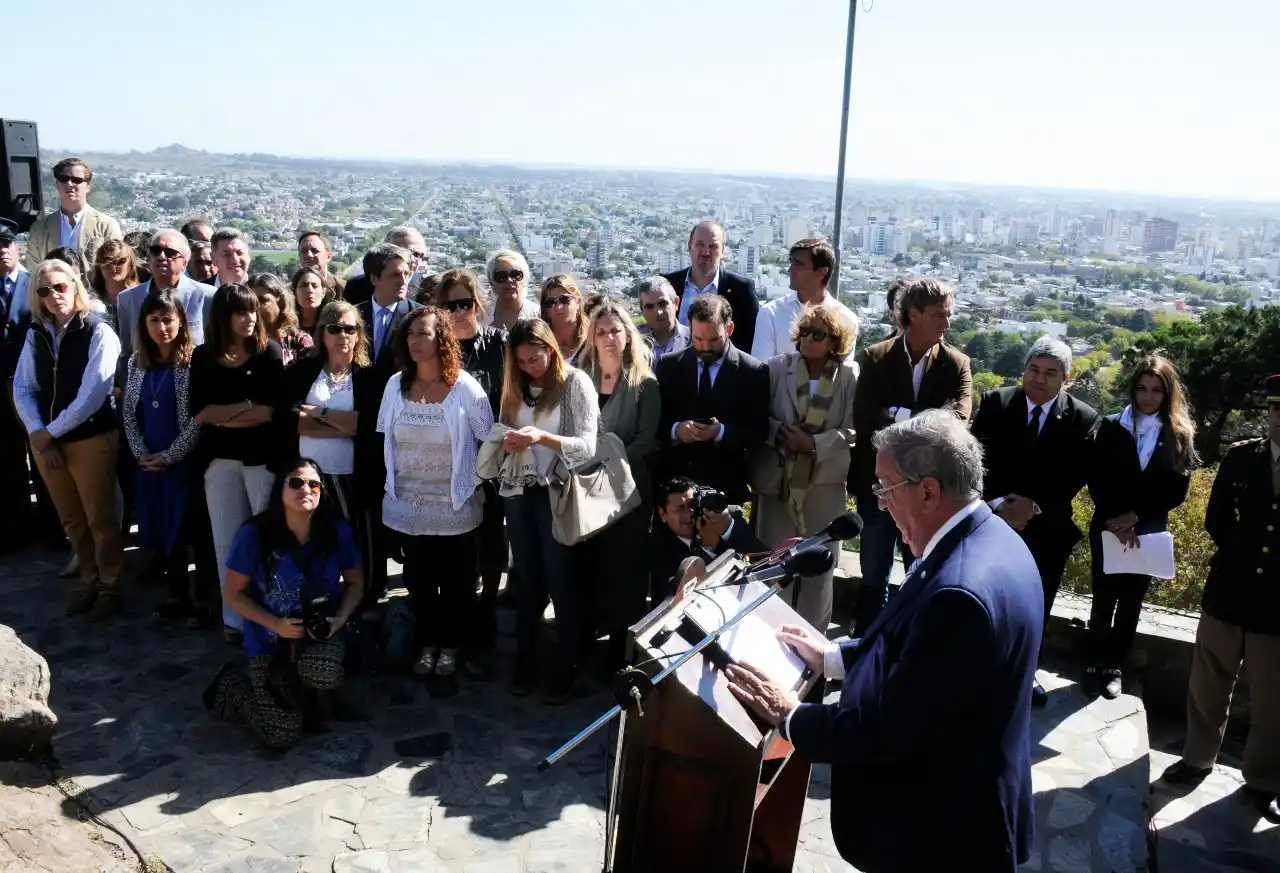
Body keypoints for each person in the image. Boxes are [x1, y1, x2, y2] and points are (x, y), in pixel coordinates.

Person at [725, 410, 1041, 873]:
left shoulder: (958, 595)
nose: (878, 503)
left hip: (941, 838)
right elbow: (920, 655)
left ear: (928, 490)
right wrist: (834, 657)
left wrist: (791, 717)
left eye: (885, 488)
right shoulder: (989, 538)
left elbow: (889, 731)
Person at [1160, 374, 1280, 823]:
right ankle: (1197, 758)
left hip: (1277, 607)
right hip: (1229, 592)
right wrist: (1242, 559)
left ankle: (1265, 781)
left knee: (1274, 701)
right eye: (1276, 410)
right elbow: (1217, 520)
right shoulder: (1241, 458)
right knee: (1208, 683)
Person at [970, 335, 1097, 707]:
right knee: (988, 601)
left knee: (1035, 605)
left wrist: (1033, 506)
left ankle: (1025, 676)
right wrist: (998, 505)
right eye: (1033, 370)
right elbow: (976, 459)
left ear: (1066, 378)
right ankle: (981, 669)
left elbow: (1074, 475)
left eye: (1050, 373)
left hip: (1048, 529)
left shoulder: (1082, 418)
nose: (1039, 379)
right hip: (993, 521)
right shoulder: (997, 402)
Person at [204, 458, 365, 749]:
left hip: (320, 633)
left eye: (314, 484)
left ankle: (311, 693)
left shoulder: (336, 530)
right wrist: (275, 624)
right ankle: (231, 685)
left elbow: (356, 583)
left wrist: (339, 620)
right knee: (281, 734)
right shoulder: (254, 534)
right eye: (296, 482)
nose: (306, 489)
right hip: (269, 642)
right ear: (280, 489)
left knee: (323, 670)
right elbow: (232, 594)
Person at [848, 277, 972, 635]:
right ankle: (866, 642)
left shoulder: (957, 364)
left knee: (922, 571)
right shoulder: (875, 357)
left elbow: (958, 419)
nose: (947, 324)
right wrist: (927, 417)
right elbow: (868, 419)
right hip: (879, 488)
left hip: (927, 492)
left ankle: (910, 641)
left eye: (948, 316)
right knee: (873, 571)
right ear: (913, 314)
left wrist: (898, 414)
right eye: (939, 316)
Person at [377, 307, 492, 682]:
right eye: (410, 334)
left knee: (458, 582)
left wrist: (470, 479)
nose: (415, 341)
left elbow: (488, 440)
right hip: (409, 505)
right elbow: (386, 439)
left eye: (424, 334)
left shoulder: (465, 388)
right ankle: (427, 642)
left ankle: (454, 644)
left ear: (442, 339)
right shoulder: (395, 385)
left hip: (453, 505)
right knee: (419, 580)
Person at [492, 318, 598, 703]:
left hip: (558, 494)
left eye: (535, 358)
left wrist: (542, 438)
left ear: (551, 350)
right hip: (520, 492)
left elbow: (587, 445)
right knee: (527, 579)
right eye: (521, 361)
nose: (529, 366)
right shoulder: (515, 385)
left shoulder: (574, 383)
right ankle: (525, 661)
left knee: (560, 580)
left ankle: (565, 666)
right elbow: (504, 427)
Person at [13, 261, 123, 618]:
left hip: (89, 437)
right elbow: (23, 387)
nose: (54, 296)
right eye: (45, 291)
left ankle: (110, 584)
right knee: (71, 517)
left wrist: (49, 433)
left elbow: (94, 392)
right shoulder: (36, 334)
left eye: (60, 287)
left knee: (99, 517)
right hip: (47, 439)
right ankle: (89, 579)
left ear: (75, 285)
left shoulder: (98, 330)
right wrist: (37, 433)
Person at [1086, 355, 1196, 700]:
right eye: (1142, 389)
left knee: (1132, 601)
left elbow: (1177, 490)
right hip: (1107, 525)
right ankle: (1092, 663)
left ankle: (1114, 666)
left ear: (1168, 394)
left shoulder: (1178, 434)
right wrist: (1116, 520)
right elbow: (1097, 479)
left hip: (1147, 531)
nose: (1147, 397)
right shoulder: (1111, 426)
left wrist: (1134, 518)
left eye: (1156, 391)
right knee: (1103, 597)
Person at [752, 303, 858, 632]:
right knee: (773, 567)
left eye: (819, 334)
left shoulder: (848, 378)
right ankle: (767, 640)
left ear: (835, 341)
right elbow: (756, 419)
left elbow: (853, 430)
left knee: (820, 572)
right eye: (805, 332)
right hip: (779, 485)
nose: (809, 339)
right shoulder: (776, 368)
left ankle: (813, 649)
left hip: (824, 488)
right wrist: (778, 433)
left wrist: (813, 445)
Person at [191, 284, 284, 644]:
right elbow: (202, 412)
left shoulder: (268, 352)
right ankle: (235, 618)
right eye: (240, 312)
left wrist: (227, 414)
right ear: (223, 318)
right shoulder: (204, 357)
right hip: (219, 462)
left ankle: (267, 613)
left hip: (261, 460)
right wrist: (246, 408)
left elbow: (271, 411)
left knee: (263, 539)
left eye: (251, 311)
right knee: (226, 541)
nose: (249, 318)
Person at [578, 298, 661, 666]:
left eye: (616, 330)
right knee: (591, 571)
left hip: (626, 494)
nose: (609, 338)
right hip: (584, 493)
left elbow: (646, 440)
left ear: (628, 335)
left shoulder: (644, 382)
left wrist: (608, 463)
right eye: (601, 332)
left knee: (624, 575)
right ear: (592, 338)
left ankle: (619, 654)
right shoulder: (580, 376)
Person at [120, 291, 205, 624]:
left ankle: (196, 599)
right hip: (149, 464)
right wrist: (142, 453)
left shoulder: (191, 362)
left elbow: (196, 419)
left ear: (180, 321)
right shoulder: (136, 363)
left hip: (181, 464)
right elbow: (129, 413)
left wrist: (171, 456)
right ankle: (175, 595)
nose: (161, 327)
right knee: (160, 532)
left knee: (183, 533)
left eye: (167, 319)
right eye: (153, 320)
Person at [279, 301, 375, 591]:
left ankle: (360, 601)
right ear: (322, 333)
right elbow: (295, 423)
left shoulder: (368, 376)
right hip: (307, 478)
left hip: (350, 477)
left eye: (350, 328)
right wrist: (341, 424)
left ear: (359, 334)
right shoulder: (302, 371)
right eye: (335, 328)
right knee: (310, 540)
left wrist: (319, 413)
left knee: (353, 542)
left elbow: (364, 427)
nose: (342, 335)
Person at [436, 269, 508, 654]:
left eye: (465, 303)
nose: (459, 312)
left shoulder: (499, 344)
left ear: (478, 305)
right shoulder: (437, 351)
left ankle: (486, 613)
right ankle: (457, 617)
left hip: (493, 461)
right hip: (449, 461)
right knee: (458, 546)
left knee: (493, 539)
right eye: (449, 306)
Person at [656, 294, 769, 507]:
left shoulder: (753, 372)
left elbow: (760, 431)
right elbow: (653, 421)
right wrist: (676, 430)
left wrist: (722, 433)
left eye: (714, 340)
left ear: (729, 329)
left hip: (726, 490)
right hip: (675, 489)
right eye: (698, 340)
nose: (706, 347)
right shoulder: (669, 366)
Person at [649, 476, 768, 602]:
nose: (689, 515)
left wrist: (728, 529)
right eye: (679, 508)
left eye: (692, 505)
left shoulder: (726, 516)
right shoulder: (656, 548)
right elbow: (676, 597)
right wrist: (708, 547)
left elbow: (768, 562)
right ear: (662, 514)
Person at [751, 238, 858, 362]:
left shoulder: (846, 319)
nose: (790, 269)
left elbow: (843, 372)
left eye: (798, 264)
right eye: (791, 263)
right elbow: (761, 369)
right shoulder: (771, 313)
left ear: (821, 272)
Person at [662, 220, 759, 355]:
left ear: (723, 251)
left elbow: (752, 340)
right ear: (690, 245)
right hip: (673, 370)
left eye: (713, 246)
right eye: (700, 244)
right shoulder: (668, 284)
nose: (706, 252)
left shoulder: (741, 289)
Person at [115, 230, 216, 353]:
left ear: (184, 263)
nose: (161, 256)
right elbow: (126, 352)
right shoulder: (128, 299)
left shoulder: (208, 296)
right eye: (155, 251)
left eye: (170, 253)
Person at [0, 221, 37, 553]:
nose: (1, 250)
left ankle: (53, 527)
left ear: (16, 248)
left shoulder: (33, 285)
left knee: (41, 454)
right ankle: (16, 527)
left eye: (6, 243)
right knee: (8, 460)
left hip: (33, 385)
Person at [23, 158, 123, 271]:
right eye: (63, 179)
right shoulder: (39, 228)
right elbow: (33, 272)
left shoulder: (106, 225)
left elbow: (116, 268)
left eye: (76, 180)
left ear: (88, 186)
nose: (69, 184)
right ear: (57, 184)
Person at [344, 227, 427, 306]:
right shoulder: (356, 286)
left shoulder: (427, 288)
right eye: (402, 252)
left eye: (417, 254)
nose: (411, 259)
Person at [249, 273, 313, 366]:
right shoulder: (243, 341)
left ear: (281, 302)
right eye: (251, 302)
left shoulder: (300, 342)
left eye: (264, 300)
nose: (257, 307)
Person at [634, 276, 689, 360]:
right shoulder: (632, 341)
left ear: (676, 303)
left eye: (663, 304)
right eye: (649, 307)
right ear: (642, 310)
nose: (658, 312)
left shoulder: (694, 340)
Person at [485, 249, 540, 329]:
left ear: (525, 279)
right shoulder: (481, 316)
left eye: (515, 274)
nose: (509, 280)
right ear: (491, 282)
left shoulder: (539, 316)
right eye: (501, 276)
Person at [539, 274, 588, 363]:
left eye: (565, 299)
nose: (558, 307)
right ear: (545, 309)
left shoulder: (592, 341)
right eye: (551, 302)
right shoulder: (539, 343)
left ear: (578, 302)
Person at [89, 239, 140, 324]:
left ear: (130, 265)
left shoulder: (139, 299)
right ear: (99, 266)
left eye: (121, 261)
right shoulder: (89, 301)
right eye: (106, 261)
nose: (113, 267)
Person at [292, 265, 338, 338]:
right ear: (294, 292)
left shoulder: (334, 325)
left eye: (315, 286)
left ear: (323, 292)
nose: (310, 290)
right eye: (304, 285)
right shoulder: (285, 326)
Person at [297, 230, 346, 295]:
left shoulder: (344, 289)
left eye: (315, 250)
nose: (309, 255)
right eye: (303, 251)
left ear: (328, 257)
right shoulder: (289, 292)